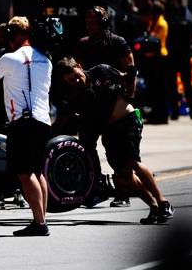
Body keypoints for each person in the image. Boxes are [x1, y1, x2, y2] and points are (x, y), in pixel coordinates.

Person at [55, 56, 174, 224]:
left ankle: (163, 203)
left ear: (80, 67)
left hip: (127, 120)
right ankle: (154, 208)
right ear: (64, 80)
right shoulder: (73, 96)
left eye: (77, 75)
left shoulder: (101, 70)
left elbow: (128, 77)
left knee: (133, 162)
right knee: (124, 173)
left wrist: (131, 97)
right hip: (109, 131)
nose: (76, 80)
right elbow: (63, 121)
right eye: (70, 79)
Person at [0, 16, 53, 236]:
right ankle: (41, 218)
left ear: (12, 35)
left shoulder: (9, 58)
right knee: (37, 171)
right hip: (43, 120)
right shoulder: (46, 60)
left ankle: (39, 223)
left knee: (24, 173)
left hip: (23, 122)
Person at [73, 5, 136, 208]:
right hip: (91, 105)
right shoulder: (82, 43)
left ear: (104, 22)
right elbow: (77, 72)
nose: (89, 25)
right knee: (86, 145)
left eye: (93, 21)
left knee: (115, 151)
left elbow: (131, 70)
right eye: (87, 22)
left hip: (113, 105)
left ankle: (123, 192)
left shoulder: (117, 42)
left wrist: (129, 97)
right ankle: (96, 188)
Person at [164, 0, 192, 120]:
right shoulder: (188, 24)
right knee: (188, 86)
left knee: (172, 86)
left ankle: (175, 112)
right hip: (185, 58)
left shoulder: (168, 24)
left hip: (171, 58)